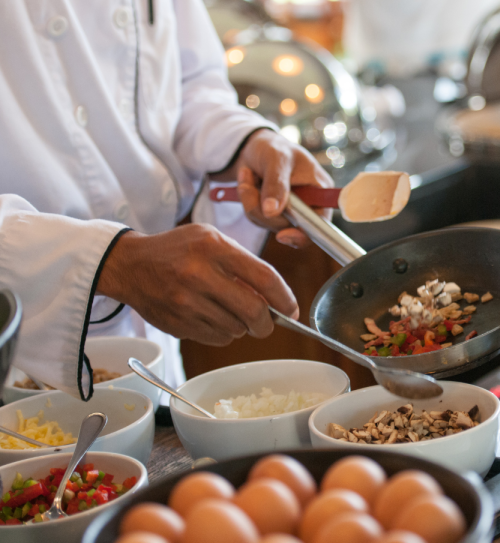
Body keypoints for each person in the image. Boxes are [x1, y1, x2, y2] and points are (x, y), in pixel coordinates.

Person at [0, 1, 332, 400]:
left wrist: (243, 143)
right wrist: (112, 262)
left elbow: (190, 81)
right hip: (16, 356)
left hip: (151, 352)